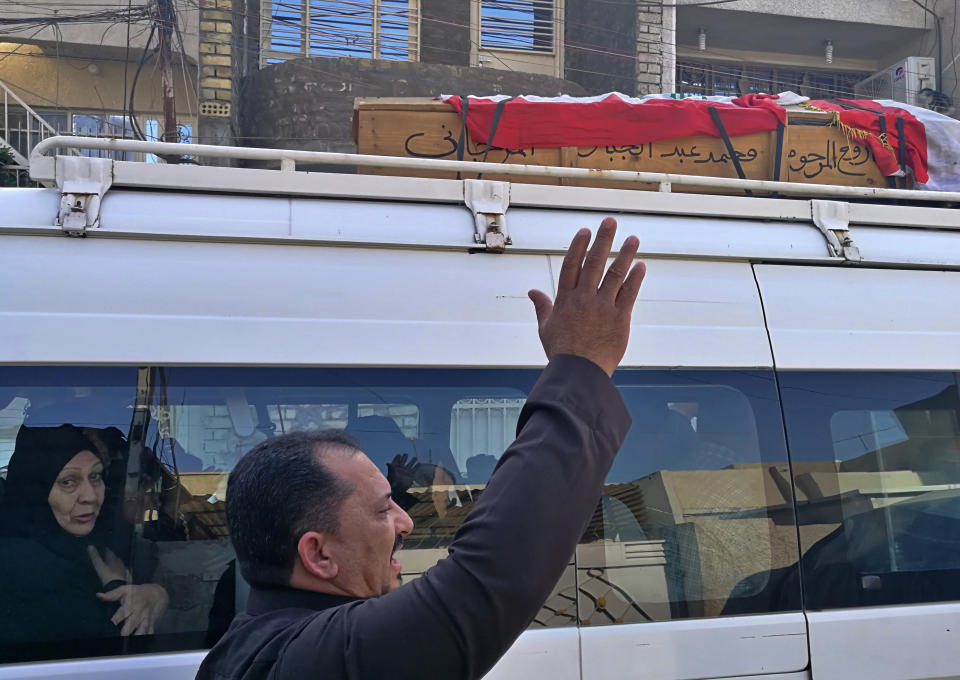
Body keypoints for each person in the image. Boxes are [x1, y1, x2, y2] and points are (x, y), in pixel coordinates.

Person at [195, 217, 645, 680]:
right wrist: (581, 368)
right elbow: (483, 580)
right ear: (318, 554)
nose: (406, 521)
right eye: (382, 509)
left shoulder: (246, 644)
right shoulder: (313, 659)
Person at [0, 424, 169, 646]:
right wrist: (116, 587)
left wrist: (156, 594)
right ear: (36, 490)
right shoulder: (17, 567)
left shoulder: (92, 547)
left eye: (96, 476)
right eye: (68, 482)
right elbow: (115, 653)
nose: (90, 496)